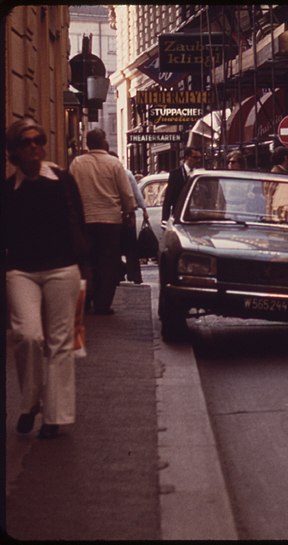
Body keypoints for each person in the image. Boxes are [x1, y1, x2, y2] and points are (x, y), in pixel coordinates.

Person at [3, 117, 88, 439]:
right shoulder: (9, 191)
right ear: (14, 151)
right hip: (21, 271)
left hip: (62, 269)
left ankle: (55, 416)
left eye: (39, 139)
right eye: (27, 142)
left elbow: (78, 221)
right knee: (28, 336)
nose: (35, 146)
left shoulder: (62, 180)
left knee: (60, 344)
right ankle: (30, 404)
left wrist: (84, 266)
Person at [69, 128, 135, 314]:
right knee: (107, 263)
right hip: (110, 221)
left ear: (88, 144)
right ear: (104, 141)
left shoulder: (77, 164)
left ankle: (85, 299)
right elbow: (126, 193)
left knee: (85, 261)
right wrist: (129, 212)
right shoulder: (114, 164)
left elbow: (71, 191)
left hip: (85, 220)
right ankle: (103, 304)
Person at [109, 150, 147, 283]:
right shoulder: (126, 173)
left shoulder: (108, 175)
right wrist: (143, 209)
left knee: (116, 248)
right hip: (127, 214)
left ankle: (119, 273)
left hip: (114, 215)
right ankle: (134, 275)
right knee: (131, 248)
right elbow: (135, 194)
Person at [162, 146, 202, 222]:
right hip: (180, 216)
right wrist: (164, 219)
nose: (198, 160)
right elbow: (168, 198)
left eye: (199, 158)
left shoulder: (200, 174)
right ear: (187, 157)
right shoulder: (175, 174)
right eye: (195, 158)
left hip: (198, 216)